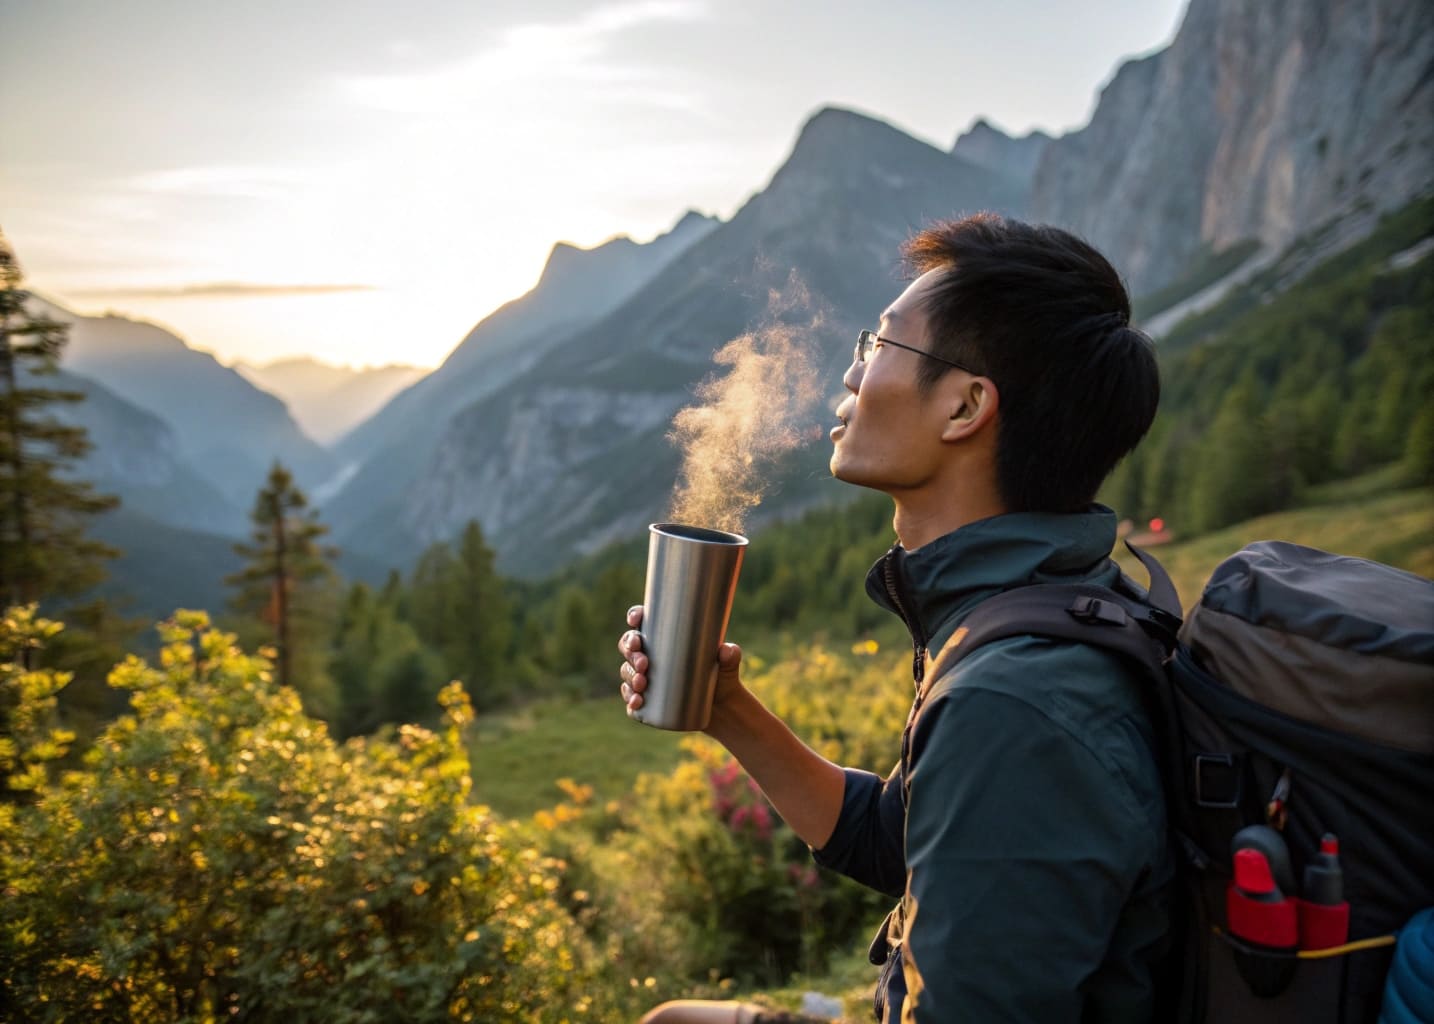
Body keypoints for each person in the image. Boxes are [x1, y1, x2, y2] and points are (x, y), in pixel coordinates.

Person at [618, 213, 1170, 1023]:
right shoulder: (1045, 602)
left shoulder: (1016, 700)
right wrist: (725, 708)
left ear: (965, 407)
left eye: (878, 346)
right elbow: (895, 840)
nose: (852, 376)